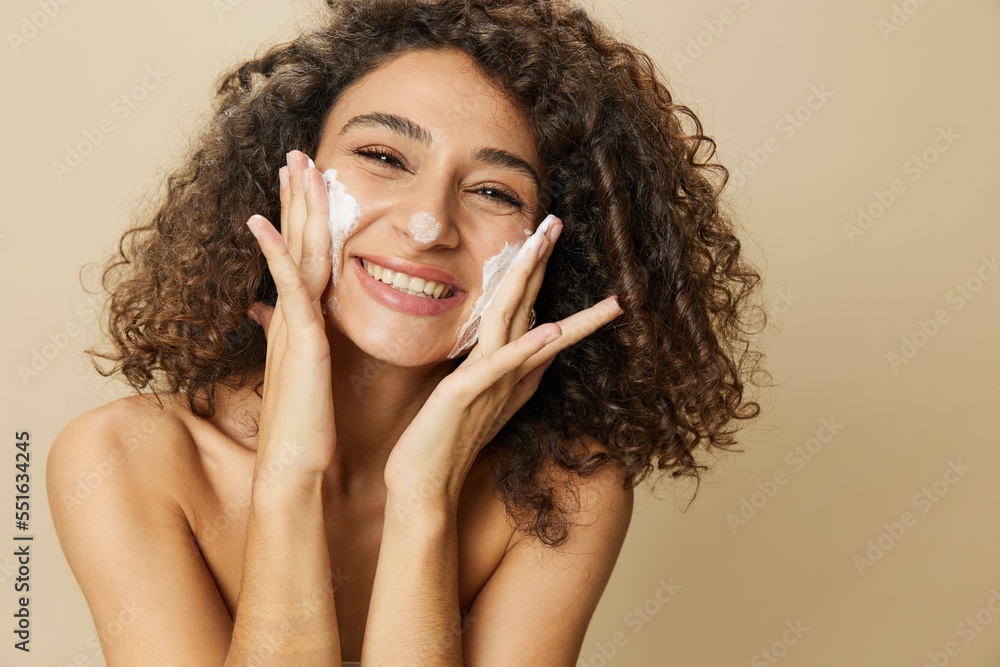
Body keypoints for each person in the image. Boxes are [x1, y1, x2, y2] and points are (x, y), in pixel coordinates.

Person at [46, 0, 767, 664]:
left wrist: (425, 491)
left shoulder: (565, 496)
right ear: (284, 176)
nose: (427, 225)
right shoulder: (122, 459)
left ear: (560, 251)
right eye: (384, 158)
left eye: (493, 192)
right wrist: (290, 472)